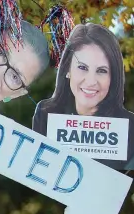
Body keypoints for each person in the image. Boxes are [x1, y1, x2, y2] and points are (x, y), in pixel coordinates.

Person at [33, 23, 134, 171]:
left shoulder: (129, 126)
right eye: (82, 67)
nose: (91, 81)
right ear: (68, 69)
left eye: (102, 70)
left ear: (113, 77)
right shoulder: (45, 113)